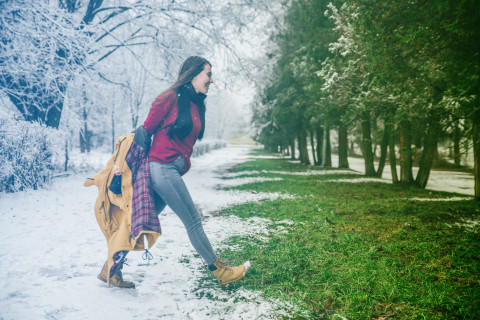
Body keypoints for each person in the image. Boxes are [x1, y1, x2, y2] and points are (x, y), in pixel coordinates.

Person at [105, 56, 250, 288]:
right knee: (193, 220)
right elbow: (144, 133)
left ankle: (111, 269)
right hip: (160, 169)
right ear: (193, 74)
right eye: (208, 74)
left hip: (170, 170)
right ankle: (219, 270)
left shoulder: (196, 104)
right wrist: (121, 167)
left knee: (139, 223)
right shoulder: (169, 98)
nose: (211, 80)